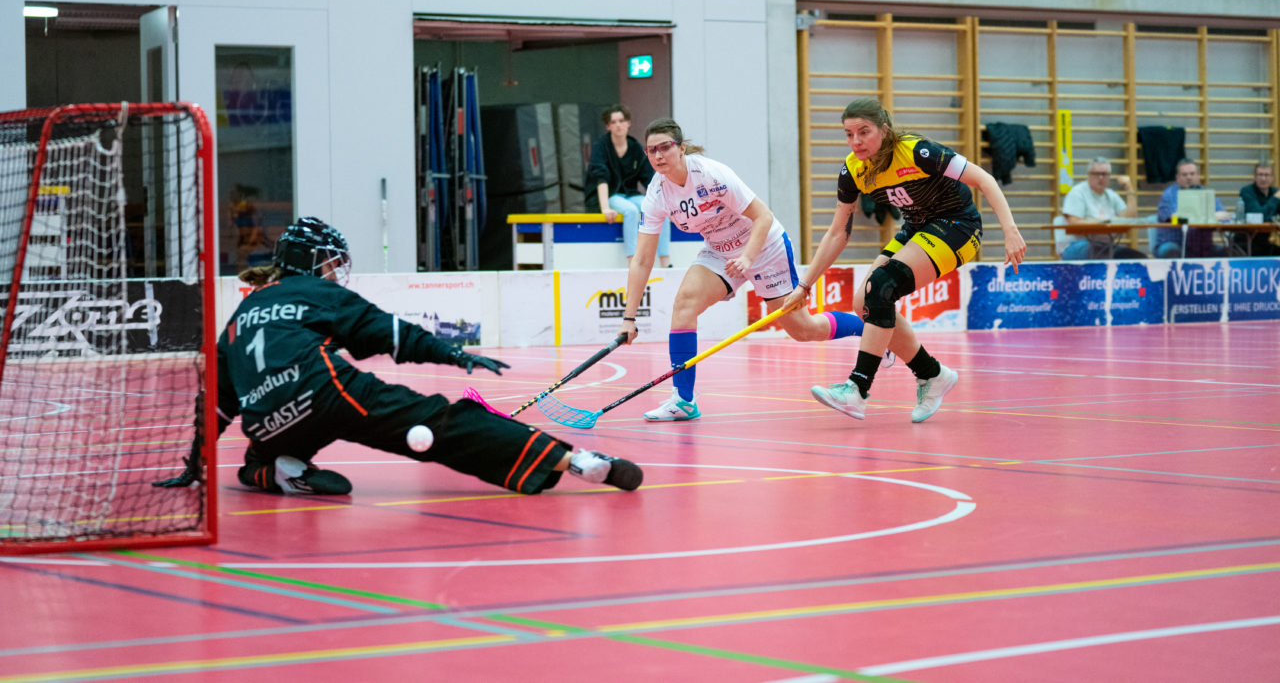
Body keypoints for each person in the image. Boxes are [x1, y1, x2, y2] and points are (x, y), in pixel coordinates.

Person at [154, 216, 643, 496]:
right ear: (309, 264)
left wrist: (196, 464)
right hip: (327, 393)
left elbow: (216, 401)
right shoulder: (313, 291)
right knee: (446, 424)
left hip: (266, 421)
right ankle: (573, 460)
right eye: (328, 262)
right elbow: (387, 334)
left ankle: (271, 470)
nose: (333, 272)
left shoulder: (241, 314)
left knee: (254, 459)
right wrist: (451, 354)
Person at [790, 97, 1025, 424]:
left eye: (864, 132)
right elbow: (837, 233)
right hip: (916, 228)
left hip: (957, 226)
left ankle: (857, 390)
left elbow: (983, 179)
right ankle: (932, 374)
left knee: (882, 287)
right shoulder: (854, 169)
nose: (856, 141)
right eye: (848, 134)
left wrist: (1010, 231)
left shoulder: (918, 152)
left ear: (884, 131)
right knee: (863, 303)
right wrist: (805, 284)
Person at [618, 119, 868, 422]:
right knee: (684, 305)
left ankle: (871, 331)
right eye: (651, 150)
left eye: (665, 147)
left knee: (803, 329)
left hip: (763, 247)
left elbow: (763, 216)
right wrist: (628, 318)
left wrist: (748, 259)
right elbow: (643, 259)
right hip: (719, 250)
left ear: (681, 148)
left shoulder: (711, 175)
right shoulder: (657, 194)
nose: (658, 155)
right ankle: (683, 400)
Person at [584, 105, 673, 267]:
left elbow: (649, 179)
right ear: (608, 126)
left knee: (660, 209)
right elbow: (600, 178)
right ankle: (633, 260)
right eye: (613, 122)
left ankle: (665, 261)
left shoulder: (635, 147)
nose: (618, 125)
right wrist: (604, 208)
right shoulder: (601, 147)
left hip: (631, 195)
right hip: (612, 195)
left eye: (621, 121)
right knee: (630, 211)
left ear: (628, 123)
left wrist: (666, 202)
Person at [1059, 157, 1146, 259]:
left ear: (1109, 177)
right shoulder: (1077, 193)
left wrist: (1129, 188)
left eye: (1104, 174)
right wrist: (1102, 222)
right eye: (1096, 174)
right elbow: (1073, 223)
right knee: (1107, 256)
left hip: (1106, 246)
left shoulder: (1111, 195)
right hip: (1078, 245)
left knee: (1137, 258)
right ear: (1089, 175)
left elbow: (1130, 218)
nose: (1100, 177)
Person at [1154, 158, 1229, 258]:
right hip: (1175, 244)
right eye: (1184, 175)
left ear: (1198, 176)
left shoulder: (1206, 193)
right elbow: (1172, 219)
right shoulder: (1169, 195)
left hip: (1202, 247)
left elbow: (1224, 216)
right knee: (1171, 251)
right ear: (1177, 177)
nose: (1189, 177)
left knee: (1230, 252)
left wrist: (1217, 219)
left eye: (1192, 174)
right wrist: (1209, 216)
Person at [1237, 162, 1279, 255]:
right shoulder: (1247, 192)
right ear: (1254, 177)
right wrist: (1275, 199)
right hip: (1247, 241)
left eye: (1267, 175)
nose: (1263, 178)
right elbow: (1260, 217)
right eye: (1260, 175)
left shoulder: (1274, 192)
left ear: (1272, 178)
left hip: (1266, 242)